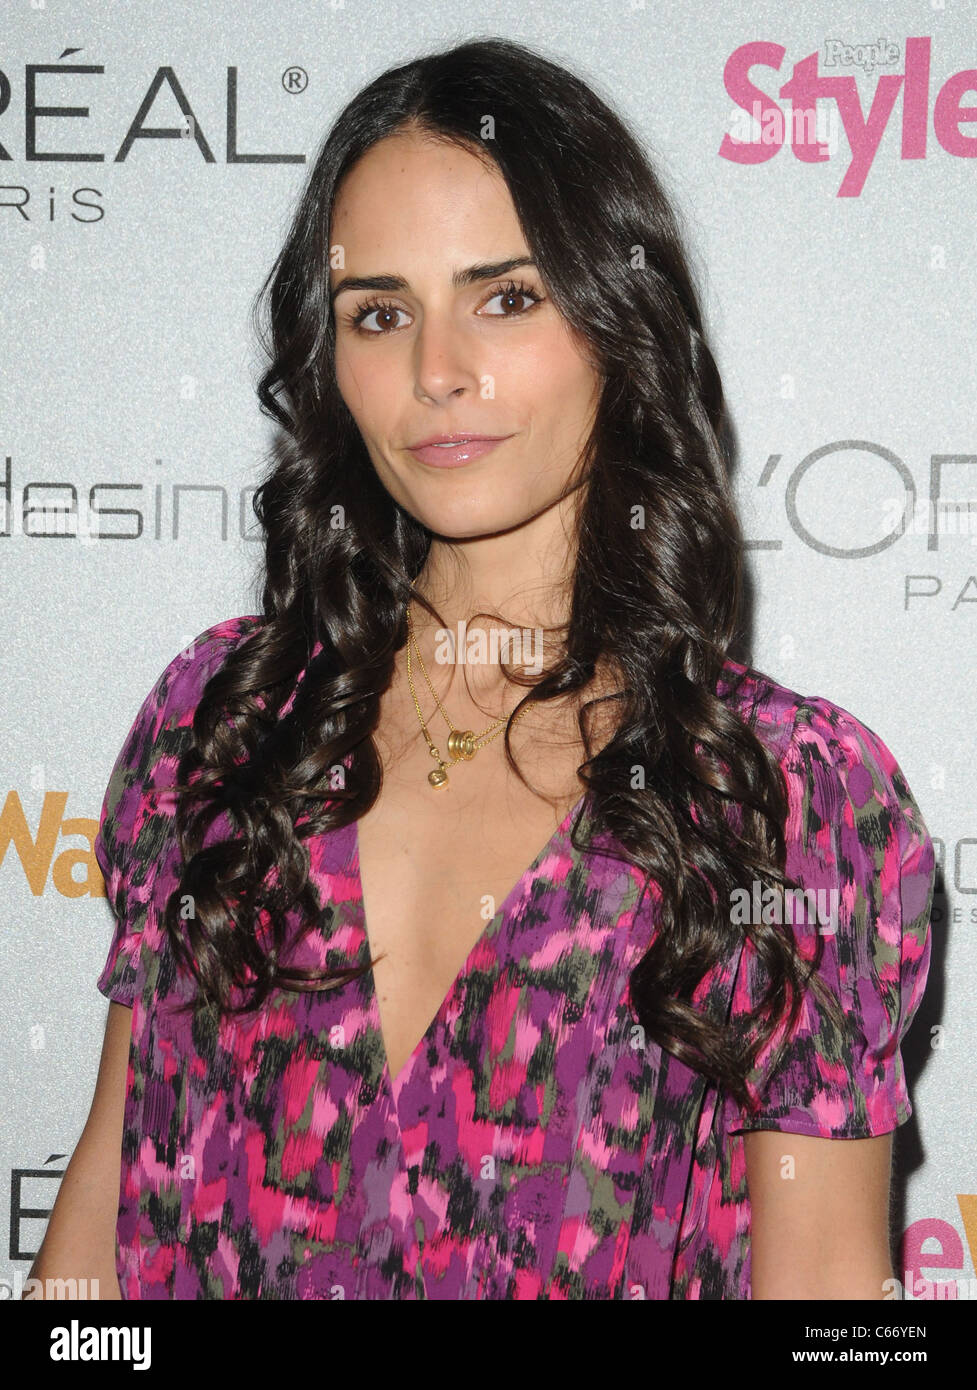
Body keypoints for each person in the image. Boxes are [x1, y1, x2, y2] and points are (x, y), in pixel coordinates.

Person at [31, 35, 934, 1301]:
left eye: (506, 297)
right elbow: (91, 1268)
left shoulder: (783, 797)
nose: (436, 371)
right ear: (329, 358)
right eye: (379, 312)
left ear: (616, 320)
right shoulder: (221, 723)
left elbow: (826, 1300)